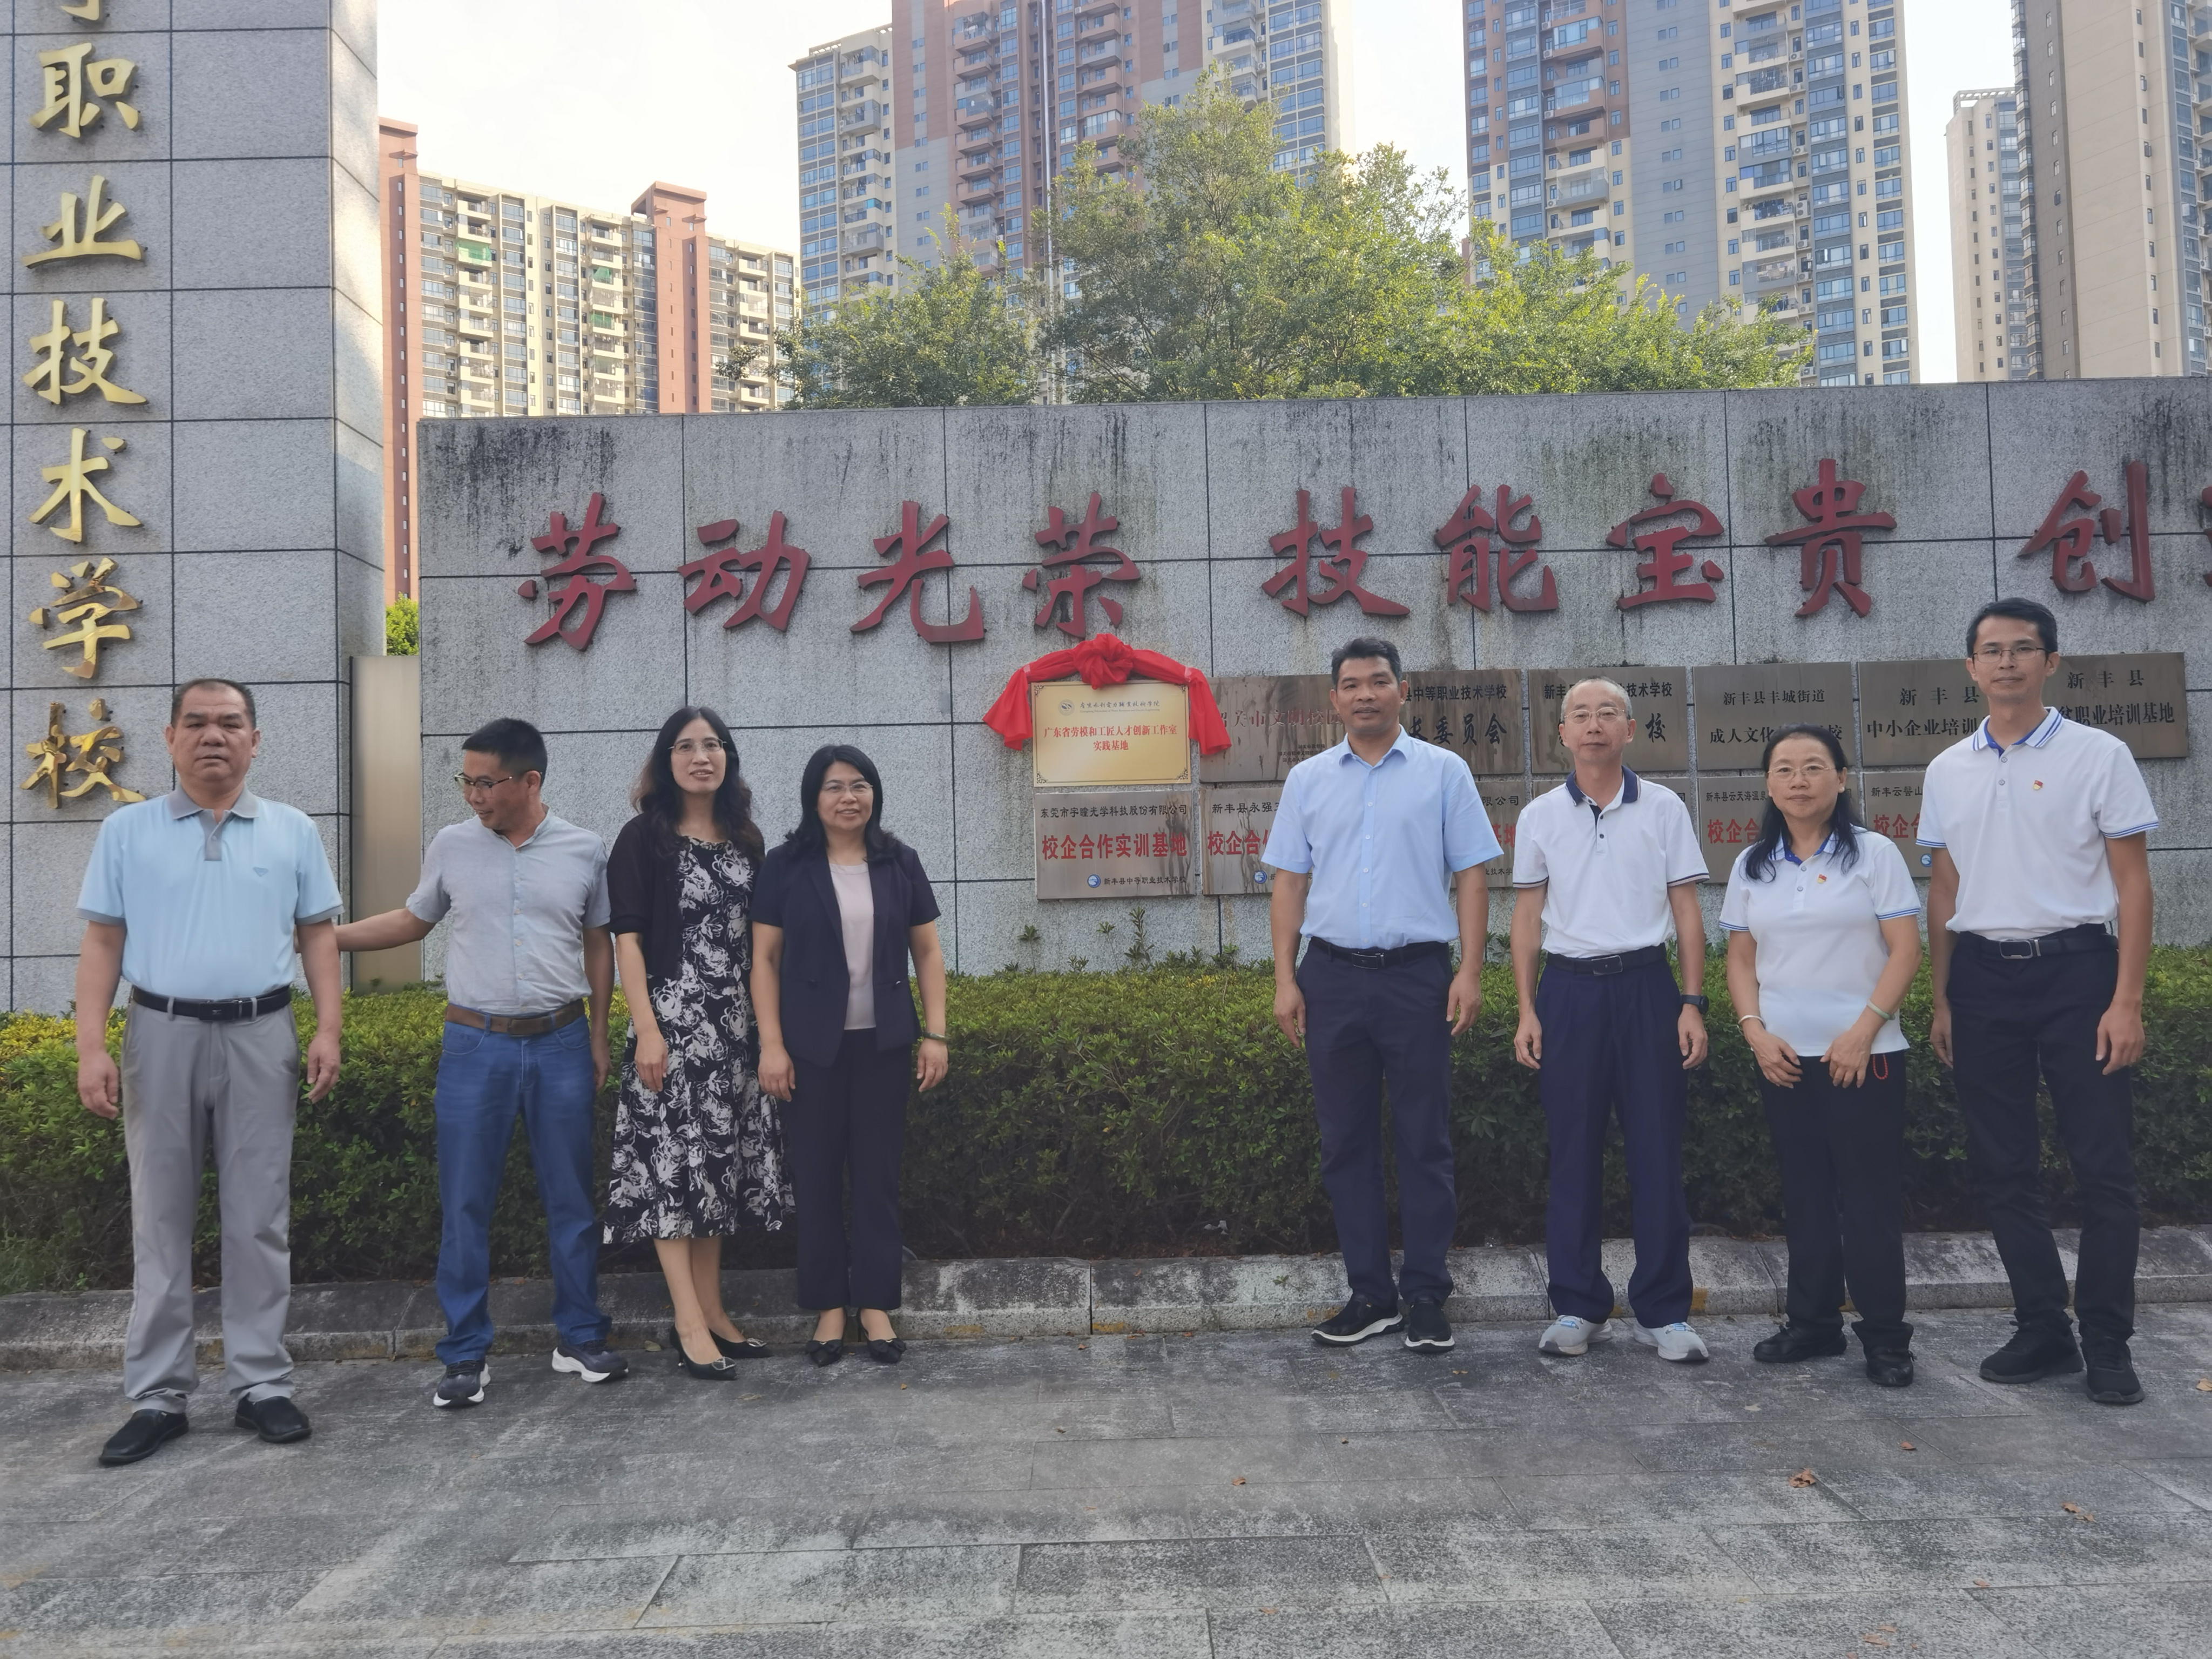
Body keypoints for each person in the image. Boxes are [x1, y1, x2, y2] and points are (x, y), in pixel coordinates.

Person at [76, 679, 343, 1467]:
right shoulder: (127, 831)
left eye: (230, 723)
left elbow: (318, 935)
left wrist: (328, 1029)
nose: (213, 736)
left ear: (255, 740)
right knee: (160, 1213)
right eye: (195, 723)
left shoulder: (292, 829)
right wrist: (91, 1047)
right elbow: (102, 943)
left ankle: (261, 1382)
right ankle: (158, 1394)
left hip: (263, 1032)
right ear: (169, 738)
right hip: (160, 1033)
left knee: (259, 1212)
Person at [335, 717, 626, 1407]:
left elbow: (599, 944)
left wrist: (598, 1035)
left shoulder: (585, 849)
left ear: (529, 781)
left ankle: (579, 1336)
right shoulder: (452, 846)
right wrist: (326, 937)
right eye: (465, 781)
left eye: (485, 782)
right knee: (465, 1203)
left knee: (571, 1199)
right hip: (474, 1046)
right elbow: (413, 920)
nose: (473, 795)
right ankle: (465, 1352)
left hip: (560, 1041)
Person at [1922, 598, 2157, 1406]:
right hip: (1983, 979)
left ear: (2050, 662)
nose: (2007, 662)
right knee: (2003, 1167)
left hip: (2077, 975)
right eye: (1992, 650)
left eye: (2023, 649)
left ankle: (2107, 1341)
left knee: (2103, 1169)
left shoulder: (2099, 754)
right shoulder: (1948, 768)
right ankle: (2042, 1329)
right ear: (1971, 667)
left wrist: (2126, 1000)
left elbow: (2132, 883)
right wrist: (1943, 997)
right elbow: (1945, 886)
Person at [1264, 637, 1499, 1355]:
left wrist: (1469, 970)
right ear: (1333, 699)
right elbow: (1289, 882)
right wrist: (1284, 978)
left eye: (1377, 681)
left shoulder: (1443, 771)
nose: (1364, 694)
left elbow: (1472, 875)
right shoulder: (1308, 779)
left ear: (1403, 690)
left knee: (1424, 1140)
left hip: (1416, 977)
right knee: (1345, 1143)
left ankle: (1425, 1294)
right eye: (1350, 684)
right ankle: (1370, 1294)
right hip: (1331, 978)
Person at [1512, 678, 1712, 1364]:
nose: (1593, 725)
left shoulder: (1662, 807)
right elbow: (1527, 919)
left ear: (1630, 729)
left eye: (1607, 715)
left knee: (1657, 1150)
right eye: (1580, 715)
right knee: (1572, 1152)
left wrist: (1691, 1003)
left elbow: (1686, 910)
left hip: (1646, 988)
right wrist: (1527, 1009)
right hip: (1568, 993)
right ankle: (1578, 1305)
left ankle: (1664, 1311)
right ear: (1562, 733)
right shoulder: (1539, 815)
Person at [1722, 725, 1923, 1388]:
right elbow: (1741, 958)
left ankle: (1886, 1338)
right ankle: (1812, 1324)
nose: (1799, 780)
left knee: (1867, 1200)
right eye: (1784, 769)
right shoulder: (1754, 864)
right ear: (1768, 784)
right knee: (1804, 1195)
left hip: (1864, 1057)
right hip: (1783, 1058)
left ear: (1841, 778)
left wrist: (1863, 1031)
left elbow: (1905, 950)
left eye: (1813, 767)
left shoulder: (1873, 854)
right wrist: (1754, 1031)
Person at [603, 707, 788, 1381]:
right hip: (674, 1027)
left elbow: (762, 947)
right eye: (685, 746)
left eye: (712, 745)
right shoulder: (642, 839)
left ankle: (713, 1311)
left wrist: (767, 1036)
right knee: (673, 1172)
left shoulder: (747, 840)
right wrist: (648, 1029)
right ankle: (686, 1321)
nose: (700, 756)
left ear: (727, 758)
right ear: (666, 761)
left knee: (715, 1171)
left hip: (735, 1028)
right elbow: (626, 941)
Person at [753, 745, 948, 1367]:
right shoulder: (785, 866)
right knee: (815, 1180)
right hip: (809, 1049)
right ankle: (829, 1308)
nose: (848, 797)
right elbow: (764, 960)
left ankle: (875, 1305)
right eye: (834, 786)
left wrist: (936, 1034)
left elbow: (927, 953)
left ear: (874, 795)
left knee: (876, 1179)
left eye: (859, 785)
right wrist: (772, 1044)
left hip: (883, 1044)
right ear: (814, 798)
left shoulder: (899, 861)